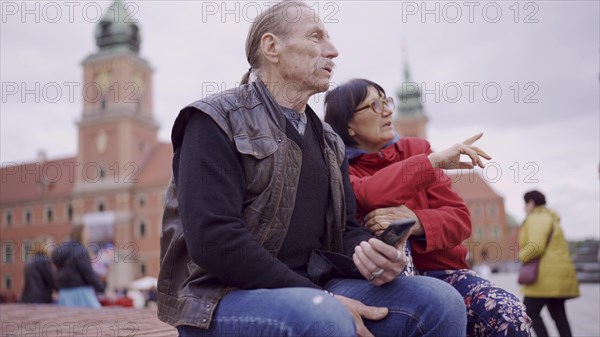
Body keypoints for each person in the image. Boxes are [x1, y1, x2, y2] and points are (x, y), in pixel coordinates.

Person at [157, 2, 467, 336]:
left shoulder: (330, 140)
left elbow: (345, 231)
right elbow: (215, 242)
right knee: (324, 317)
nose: (333, 51)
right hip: (218, 298)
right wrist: (321, 296)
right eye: (316, 37)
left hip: (316, 290)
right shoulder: (213, 120)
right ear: (272, 47)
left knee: (441, 302)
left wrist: (368, 253)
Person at [324, 78, 532, 337]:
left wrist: (416, 221)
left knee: (508, 311)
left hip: (444, 272)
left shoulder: (416, 149)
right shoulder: (340, 167)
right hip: (386, 281)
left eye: (386, 101)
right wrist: (431, 162)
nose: (388, 110)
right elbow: (369, 194)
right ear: (349, 126)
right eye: (374, 105)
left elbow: (460, 220)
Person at [519, 190, 579, 337]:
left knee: (530, 311)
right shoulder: (551, 218)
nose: (524, 208)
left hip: (544, 276)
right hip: (557, 274)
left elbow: (536, 246)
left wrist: (521, 256)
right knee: (559, 315)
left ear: (531, 203)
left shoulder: (537, 218)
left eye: (525, 204)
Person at [52, 225, 105, 308]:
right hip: (80, 291)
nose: (88, 235)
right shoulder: (80, 250)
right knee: (95, 316)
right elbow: (88, 272)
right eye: (86, 232)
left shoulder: (62, 249)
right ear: (81, 233)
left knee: (67, 319)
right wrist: (101, 288)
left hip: (64, 292)